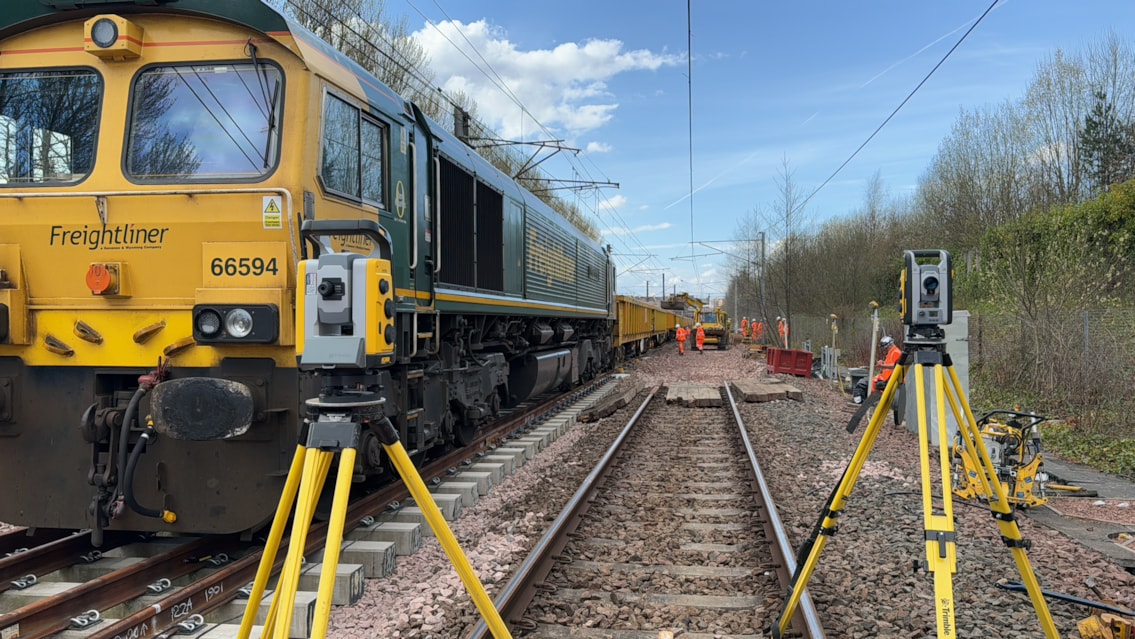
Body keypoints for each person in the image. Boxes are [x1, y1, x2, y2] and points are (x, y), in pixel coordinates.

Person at [853, 335, 902, 404]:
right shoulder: (892, 352)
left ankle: (860, 400)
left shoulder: (896, 352)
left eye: (885, 348)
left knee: (863, 383)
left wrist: (883, 366)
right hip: (886, 378)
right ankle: (863, 400)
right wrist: (883, 363)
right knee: (866, 382)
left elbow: (895, 366)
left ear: (889, 345)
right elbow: (891, 363)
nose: (884, 349)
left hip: (888, 380)